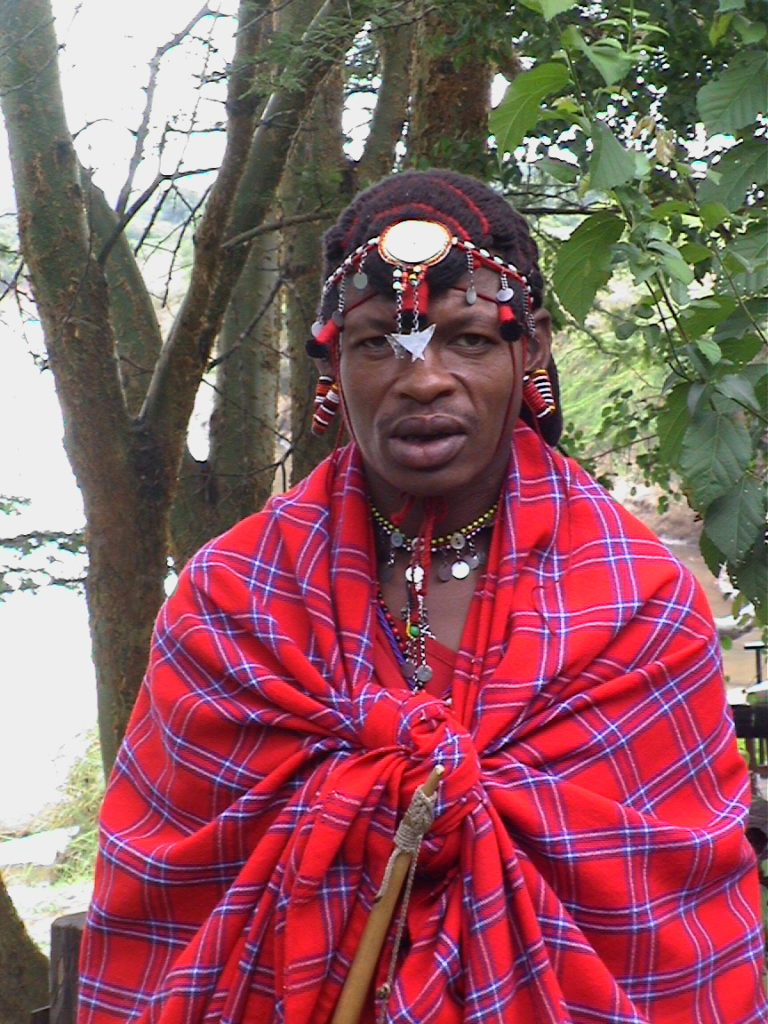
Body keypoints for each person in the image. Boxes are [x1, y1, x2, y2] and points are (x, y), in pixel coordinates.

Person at [78, 169, 767, 1023]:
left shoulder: (638, 603)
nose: (424, 378)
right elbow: (166, 894)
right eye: (381, 343)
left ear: (532, 347)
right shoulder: (233, 597)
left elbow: (673, 920)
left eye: (467, 339)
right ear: (332, 357)